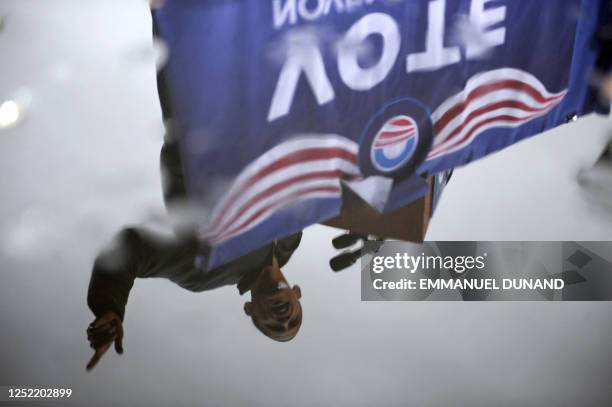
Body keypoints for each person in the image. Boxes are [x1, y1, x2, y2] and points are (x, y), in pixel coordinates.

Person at [85, 17, 304, 371]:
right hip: (256, 115)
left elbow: (131, 248)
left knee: (183, 22)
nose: (283, 319)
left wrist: (109, 306)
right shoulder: (290, 240)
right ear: (297, 295)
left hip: (198, 127)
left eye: (274, 326)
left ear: (251, 309)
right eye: (293, 320)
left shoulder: (206, 271)